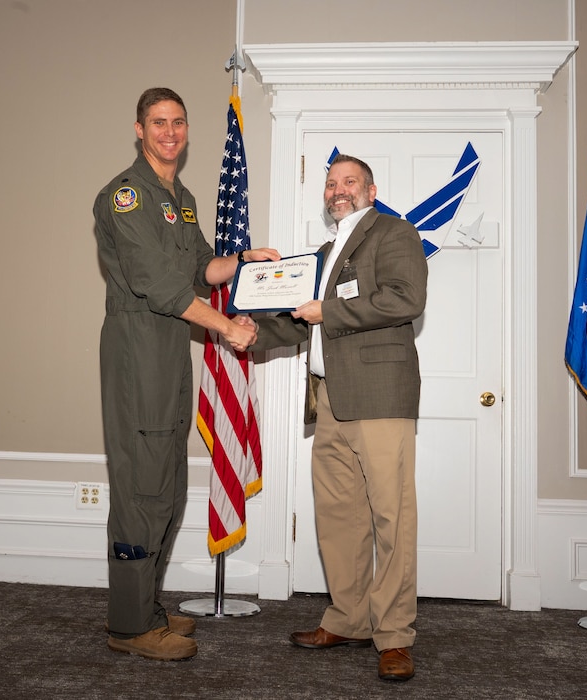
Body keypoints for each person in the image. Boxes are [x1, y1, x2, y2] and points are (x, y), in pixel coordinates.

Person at [92, 87, 279, 661]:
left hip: (171, 343)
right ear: (139, 129)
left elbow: (200, 268)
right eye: (158, 122)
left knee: (168, 481)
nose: (169, 132)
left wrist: (243, 260)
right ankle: (130, 626)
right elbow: (156, 282)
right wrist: (226, 328)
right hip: (137, 344)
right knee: (140, 486)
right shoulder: (125, 196)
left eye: (177, 122)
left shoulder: (183, 198)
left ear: (187, 129)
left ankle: (145, 607)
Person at [239, 155, 427, 681]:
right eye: (330, 183)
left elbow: (405, 299)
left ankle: (394, 635)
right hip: (329, 401)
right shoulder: (322, 254)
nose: (337, 190)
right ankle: (349, 620)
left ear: (371, 189)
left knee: (392, 520)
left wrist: (330, 311)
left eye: (348, 182)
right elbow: (301, 323)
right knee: (339, 518)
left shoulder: (394, 233)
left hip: (380, 398)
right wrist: (251, 331)